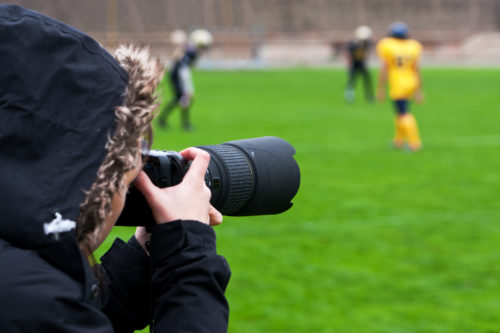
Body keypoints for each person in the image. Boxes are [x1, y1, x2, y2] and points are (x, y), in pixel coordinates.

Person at [0, 5, 230, 332]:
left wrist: (144, 257)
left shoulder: (20, 286)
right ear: (71, 180)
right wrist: (188, 261)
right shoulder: (31, 307)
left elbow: (72, 313)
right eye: (121, 180)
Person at [376, 22, 424, 151]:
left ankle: (414, 143)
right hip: (411, 81)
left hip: (398, 83)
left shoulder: (387, 45)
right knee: (399, 112)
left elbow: (385, 68)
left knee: (403, 113)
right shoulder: (413, 46)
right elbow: (416, 68)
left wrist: (380, 88)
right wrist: (419, 89)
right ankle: (399, 140)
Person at [157, 29, 214, 131]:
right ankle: (183, 124)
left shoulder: (189, 49)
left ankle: (165, 120)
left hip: (175, 74)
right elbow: (183, 70)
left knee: (180, 99)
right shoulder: (192, 52)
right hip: (178, 76)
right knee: (183, 98)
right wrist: (188, 89)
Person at [344, 25, 374, 103]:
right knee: (351, 81)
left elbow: (367, 53)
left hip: (362, 64)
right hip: (354, 64)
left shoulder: (366, 44)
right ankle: (349, 96)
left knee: (367, 81)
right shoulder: (354, 44)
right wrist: (348, 65)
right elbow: (348, 55)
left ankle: (369, 96)